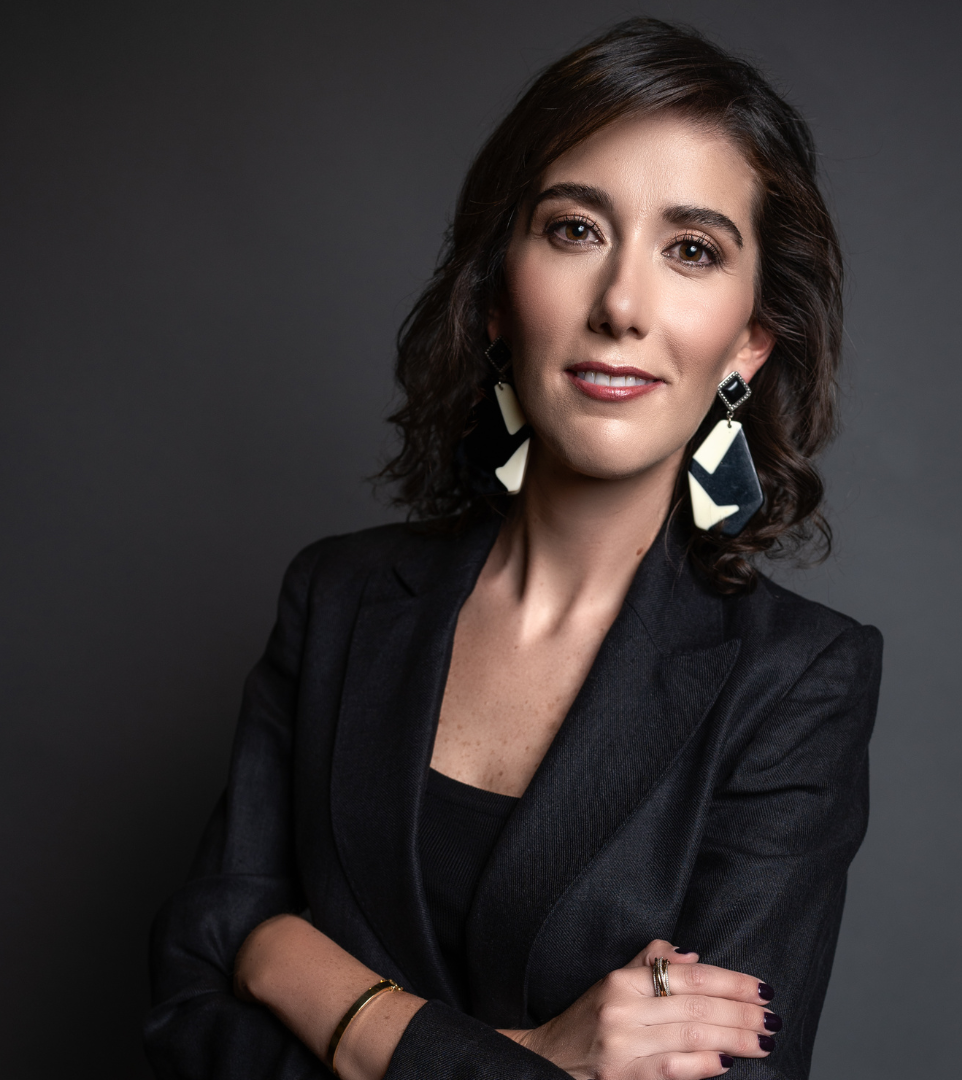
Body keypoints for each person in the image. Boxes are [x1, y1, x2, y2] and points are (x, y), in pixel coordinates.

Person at [145, 18, 882, 1080]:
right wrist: (534, 1057)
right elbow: (188, 1008)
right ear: (497, 297)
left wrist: (292, 965)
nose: (621, 305)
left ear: (750, 341)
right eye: (576, 230)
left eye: (691, 250)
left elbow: (736, 1077)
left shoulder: (799, 681)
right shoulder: (338, 597)